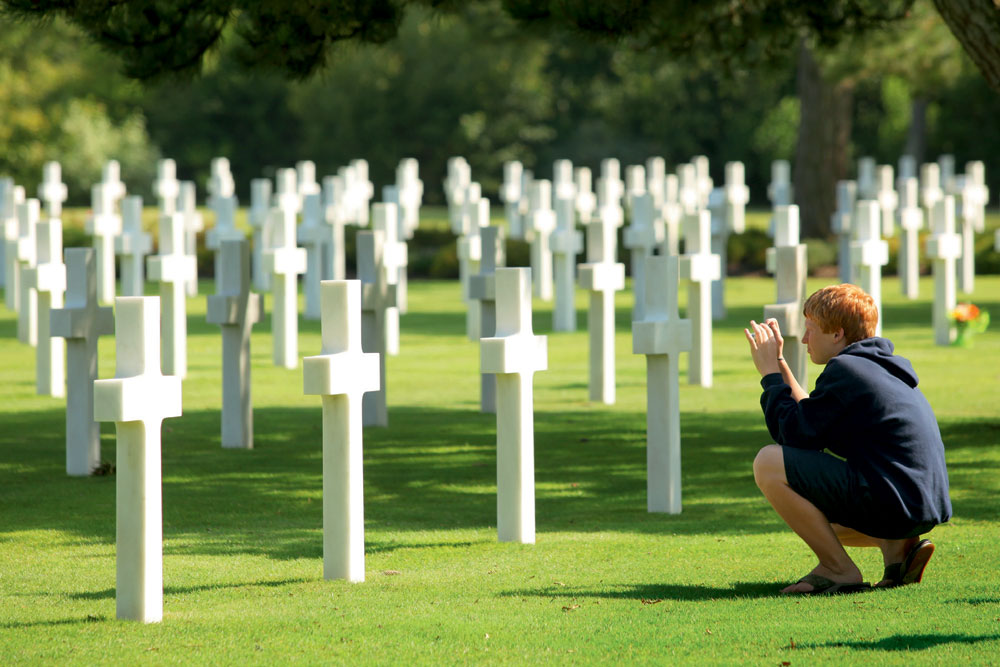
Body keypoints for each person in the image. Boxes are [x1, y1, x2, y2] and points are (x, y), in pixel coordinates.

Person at [745, 283, 951, 595]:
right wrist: (781, 364)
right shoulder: (874, 367)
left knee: (768, 463)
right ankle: (898, 552)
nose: (803, 339)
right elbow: (809, 425)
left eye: (810, 329)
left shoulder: (846, 370)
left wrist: (769, 376)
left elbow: (792, 433)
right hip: (917, 504)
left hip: (896, 502)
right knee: (820, 524)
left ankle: (838, 570)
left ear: (837, 334)